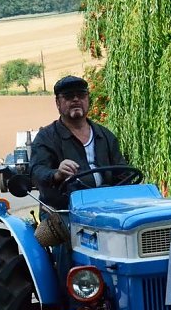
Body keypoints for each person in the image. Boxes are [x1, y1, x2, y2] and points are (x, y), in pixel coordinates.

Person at [29, 75, 128, 210]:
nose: (76, 99)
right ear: (58, 103)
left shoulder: (105, 135)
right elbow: (36, 172)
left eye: (81, 95)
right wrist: (57, 174)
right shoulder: (46, 137)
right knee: (45, 232)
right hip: (63, 211)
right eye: (69, 96)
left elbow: (122, 172)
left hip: (108, 207)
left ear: (88, 99)